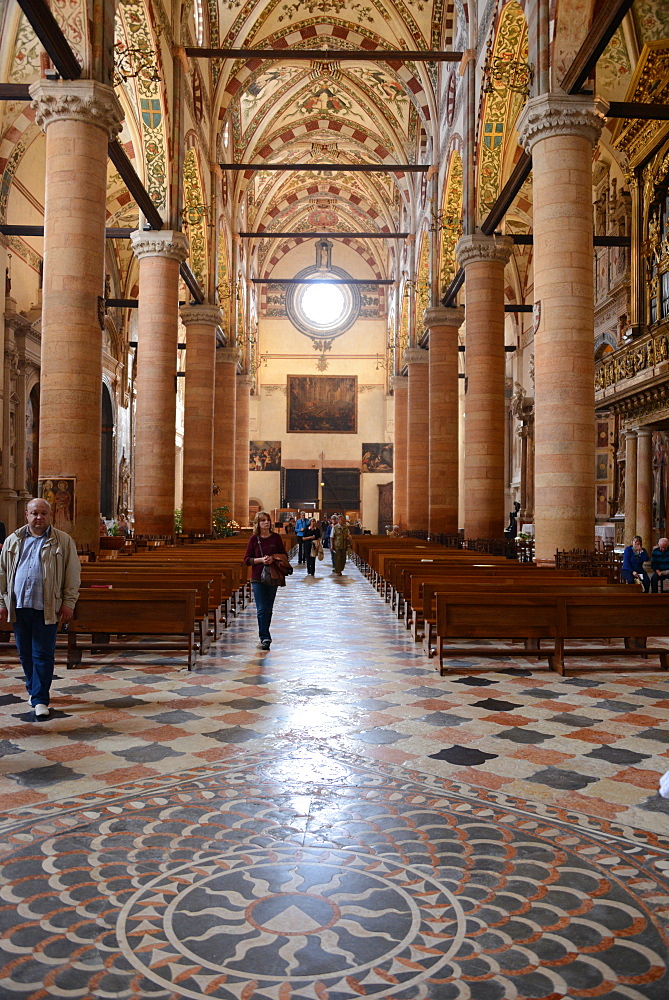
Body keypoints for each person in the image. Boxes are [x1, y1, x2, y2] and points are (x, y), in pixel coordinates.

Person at [0, 498, 80, 718]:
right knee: (25, 654)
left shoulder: (62, 541)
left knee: (43, 654)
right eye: (34, 513)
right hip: (19, 606)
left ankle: (40, 699)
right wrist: (1, 603)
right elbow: (2, 574)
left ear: (50, 515)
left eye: (43, 513)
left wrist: (68, 602)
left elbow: (72, 576)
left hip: (48, 606)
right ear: (26, 514)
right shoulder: (13, 540)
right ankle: (34, 689)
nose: (39, 517)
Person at [243, 510, 290, 650]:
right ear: (257, 523)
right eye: (262, 520)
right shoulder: (253, 539)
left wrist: (273, 558)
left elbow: (284, 555)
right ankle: (265, 637)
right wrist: (261, 560)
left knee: (268, 608)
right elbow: (247, 560)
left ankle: (265, 633)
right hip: (257, 577)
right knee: (262, 608)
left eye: (267, 520)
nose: (266, 523)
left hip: (272, 576)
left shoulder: (276, 538)